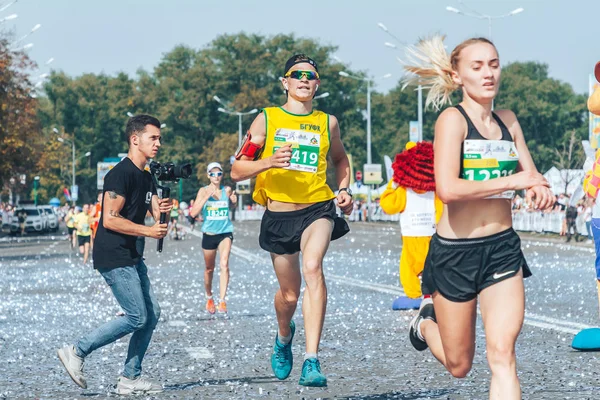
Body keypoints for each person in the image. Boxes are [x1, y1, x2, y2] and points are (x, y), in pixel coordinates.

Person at [401, 36, 555, 399]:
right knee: (459, 365)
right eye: (478, 66)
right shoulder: (452, 120)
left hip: (502, 250)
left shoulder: (509, 121)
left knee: (503, 354)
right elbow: (448, 189)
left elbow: (530, 178)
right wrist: (517, 180)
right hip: (455, 254)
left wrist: (539, 191)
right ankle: (424, 323)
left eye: (494, 64)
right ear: (458, 77)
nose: (488, 73)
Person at [231, 54, 353, 387]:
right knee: (289, 295)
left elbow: (341, 159)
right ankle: (284, 335)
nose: (304, 79)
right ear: (285, 82)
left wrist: (344, 189)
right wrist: (268, 161)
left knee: (313, 267)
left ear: (317, 85)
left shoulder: (327, 122)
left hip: (318, 208)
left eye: (310, 76)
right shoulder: (266, 120)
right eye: (297, 74)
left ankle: (311, 360)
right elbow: (237, 170)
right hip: (279, 216)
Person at [57, 114, 172, 395]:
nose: (158, 143)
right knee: (136, 317)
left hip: (132, 255)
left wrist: (163, 207)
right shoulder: (119, 174)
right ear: (135, 139)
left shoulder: (146, 176)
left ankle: (129, 378)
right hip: (114, 254)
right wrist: (147, 232)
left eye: (159, 138)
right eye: (153, 138)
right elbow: (109, 219)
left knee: (151, 314)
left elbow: (156, 213)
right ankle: (77, 351)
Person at [189, 162, 237, 314]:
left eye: (219, 173)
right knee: (209, 269)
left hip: (225, 232)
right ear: (208, 175)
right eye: (212, 174)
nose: (216, 177)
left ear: (222, 175)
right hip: (209, 234)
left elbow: (231, 207)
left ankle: (222, 301)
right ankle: (209, 296)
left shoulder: (227, 190)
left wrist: (234, 203)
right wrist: (205, 198)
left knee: (224, 264)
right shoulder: (202, 191)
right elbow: (193, 213)